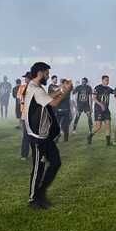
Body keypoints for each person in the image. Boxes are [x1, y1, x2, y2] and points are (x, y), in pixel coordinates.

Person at [24, 62, 72, 210]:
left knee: (56, 162)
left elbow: (47, 97)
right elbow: (54, 103)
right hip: (38, 136)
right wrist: (66, 92)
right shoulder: (34, 89)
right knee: (39, 167)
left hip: (45, 135)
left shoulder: (37, 87)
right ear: (40, 72)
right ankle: (33, 199)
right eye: (46, 73)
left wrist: (59, 90)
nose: (48, 76)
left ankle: (41, 193)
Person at [88, 75, 113, 146]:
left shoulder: (108, 89)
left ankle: (108, 143)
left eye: (108, 80)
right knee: (98, 127)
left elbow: (115, 92)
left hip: (106, 110)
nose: (107, 81)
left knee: (108, 125)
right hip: (98, 110)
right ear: (102, 80)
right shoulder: (97, 88)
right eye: (106, 80)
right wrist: (101, 105)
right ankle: (90, 136)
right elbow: (94, 98)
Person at [16, 73, 32, 160]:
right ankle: (24, 154)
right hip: (25, 114)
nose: (25, 79)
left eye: (26, 78)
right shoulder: (22, 87)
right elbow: (19, 99)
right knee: (26, 135)